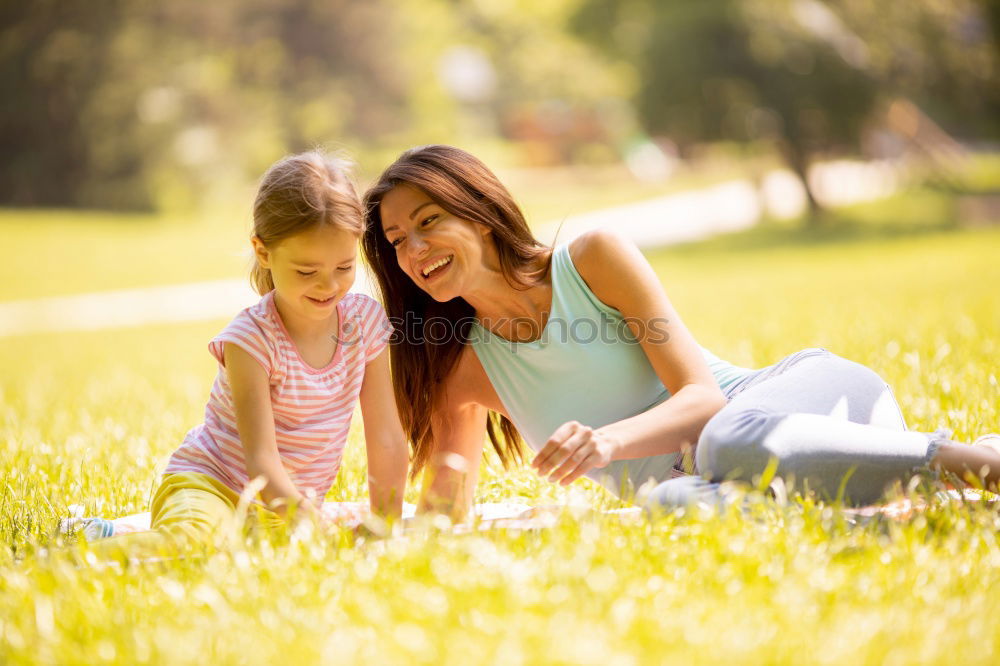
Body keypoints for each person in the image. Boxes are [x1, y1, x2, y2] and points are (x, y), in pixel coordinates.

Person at [360, 144, 1000, 518]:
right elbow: (446, 509)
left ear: (478, 212)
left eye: (428, 221)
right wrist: (356, 525)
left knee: (723, 441)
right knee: (670, 506)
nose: (413, 249)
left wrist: (606, 443)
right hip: (763, 474)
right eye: (395, 241)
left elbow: (704, 400)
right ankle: (925, 508)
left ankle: (974, 463)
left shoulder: (590, 261)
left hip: (813, 404)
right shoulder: (464, 370)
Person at [85, 152, 408, 560]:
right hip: (212, 485)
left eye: (344, 267)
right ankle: (69, 558)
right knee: (198, 545)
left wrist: (387, 523)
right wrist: (306, 521)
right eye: (307, 271)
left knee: (315, 548)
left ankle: (109, 533)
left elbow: (386, 437)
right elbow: (261, 459)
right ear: (263, 252)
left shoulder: (363, 323)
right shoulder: (250, 340)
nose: (329, 286)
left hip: (282, 506)